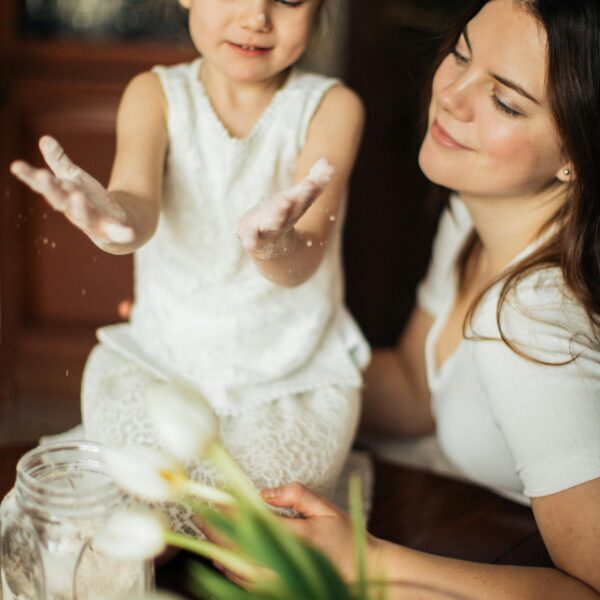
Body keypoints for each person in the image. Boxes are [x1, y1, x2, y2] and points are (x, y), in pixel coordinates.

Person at [255, 0, 600, 596]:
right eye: (460, 54)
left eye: (505, 101)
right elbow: (415, 389)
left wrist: (363, 563)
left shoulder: (534, 322)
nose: (452, 96)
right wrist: (237, 349)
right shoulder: (472, 218)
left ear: (576, 153)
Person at [10, 0, 370, 533]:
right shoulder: (154, 94)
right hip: (164, 362)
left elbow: (305, 256)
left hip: (288, 379)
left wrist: (273, 245)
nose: (256, 18)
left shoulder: (333, 108)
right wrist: (110, 219)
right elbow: (136, 207)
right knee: (125, 498)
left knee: (265, 512)